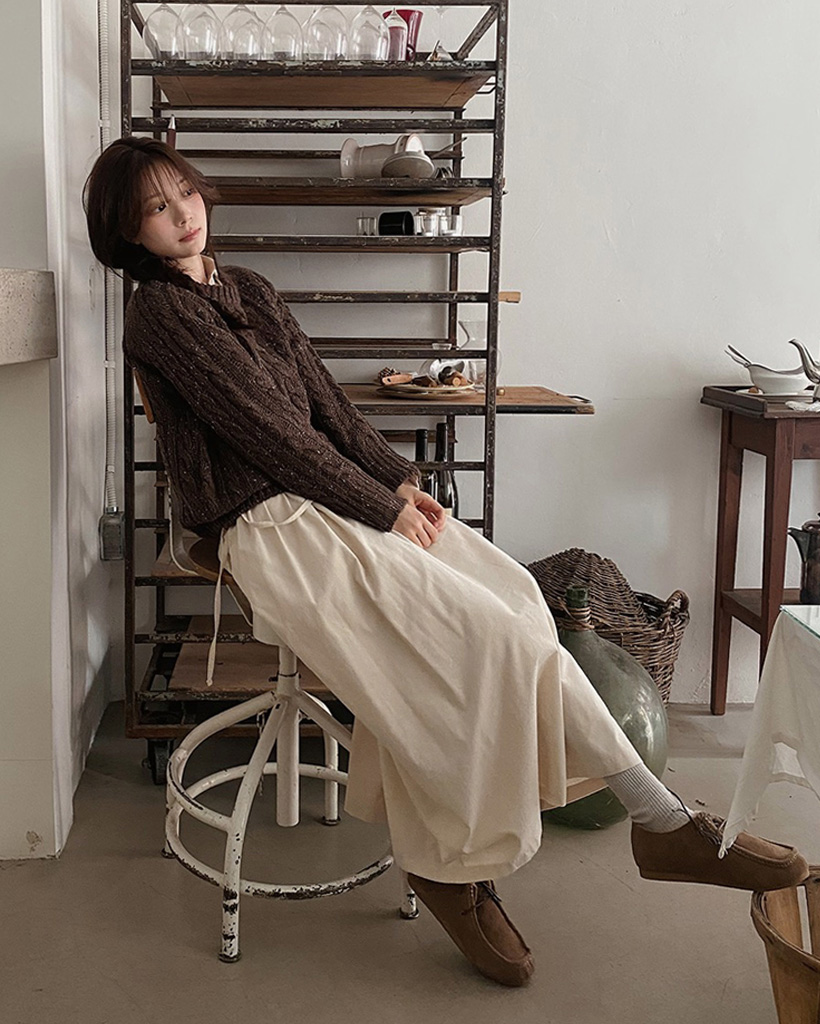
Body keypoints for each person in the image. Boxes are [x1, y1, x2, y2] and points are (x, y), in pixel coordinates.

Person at [83, 137, 808, 988]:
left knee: (521, 609)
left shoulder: (249, 288)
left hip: (334, 498)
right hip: (268, 522)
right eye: (157, 208)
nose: (183, 214)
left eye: (185, 193)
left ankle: (650, 824)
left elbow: (324, 405)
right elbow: (266, 434)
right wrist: (378, 504)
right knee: (475, 644)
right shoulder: (160, 314)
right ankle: (520, 854)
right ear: (128, 232)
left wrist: (398, 479)